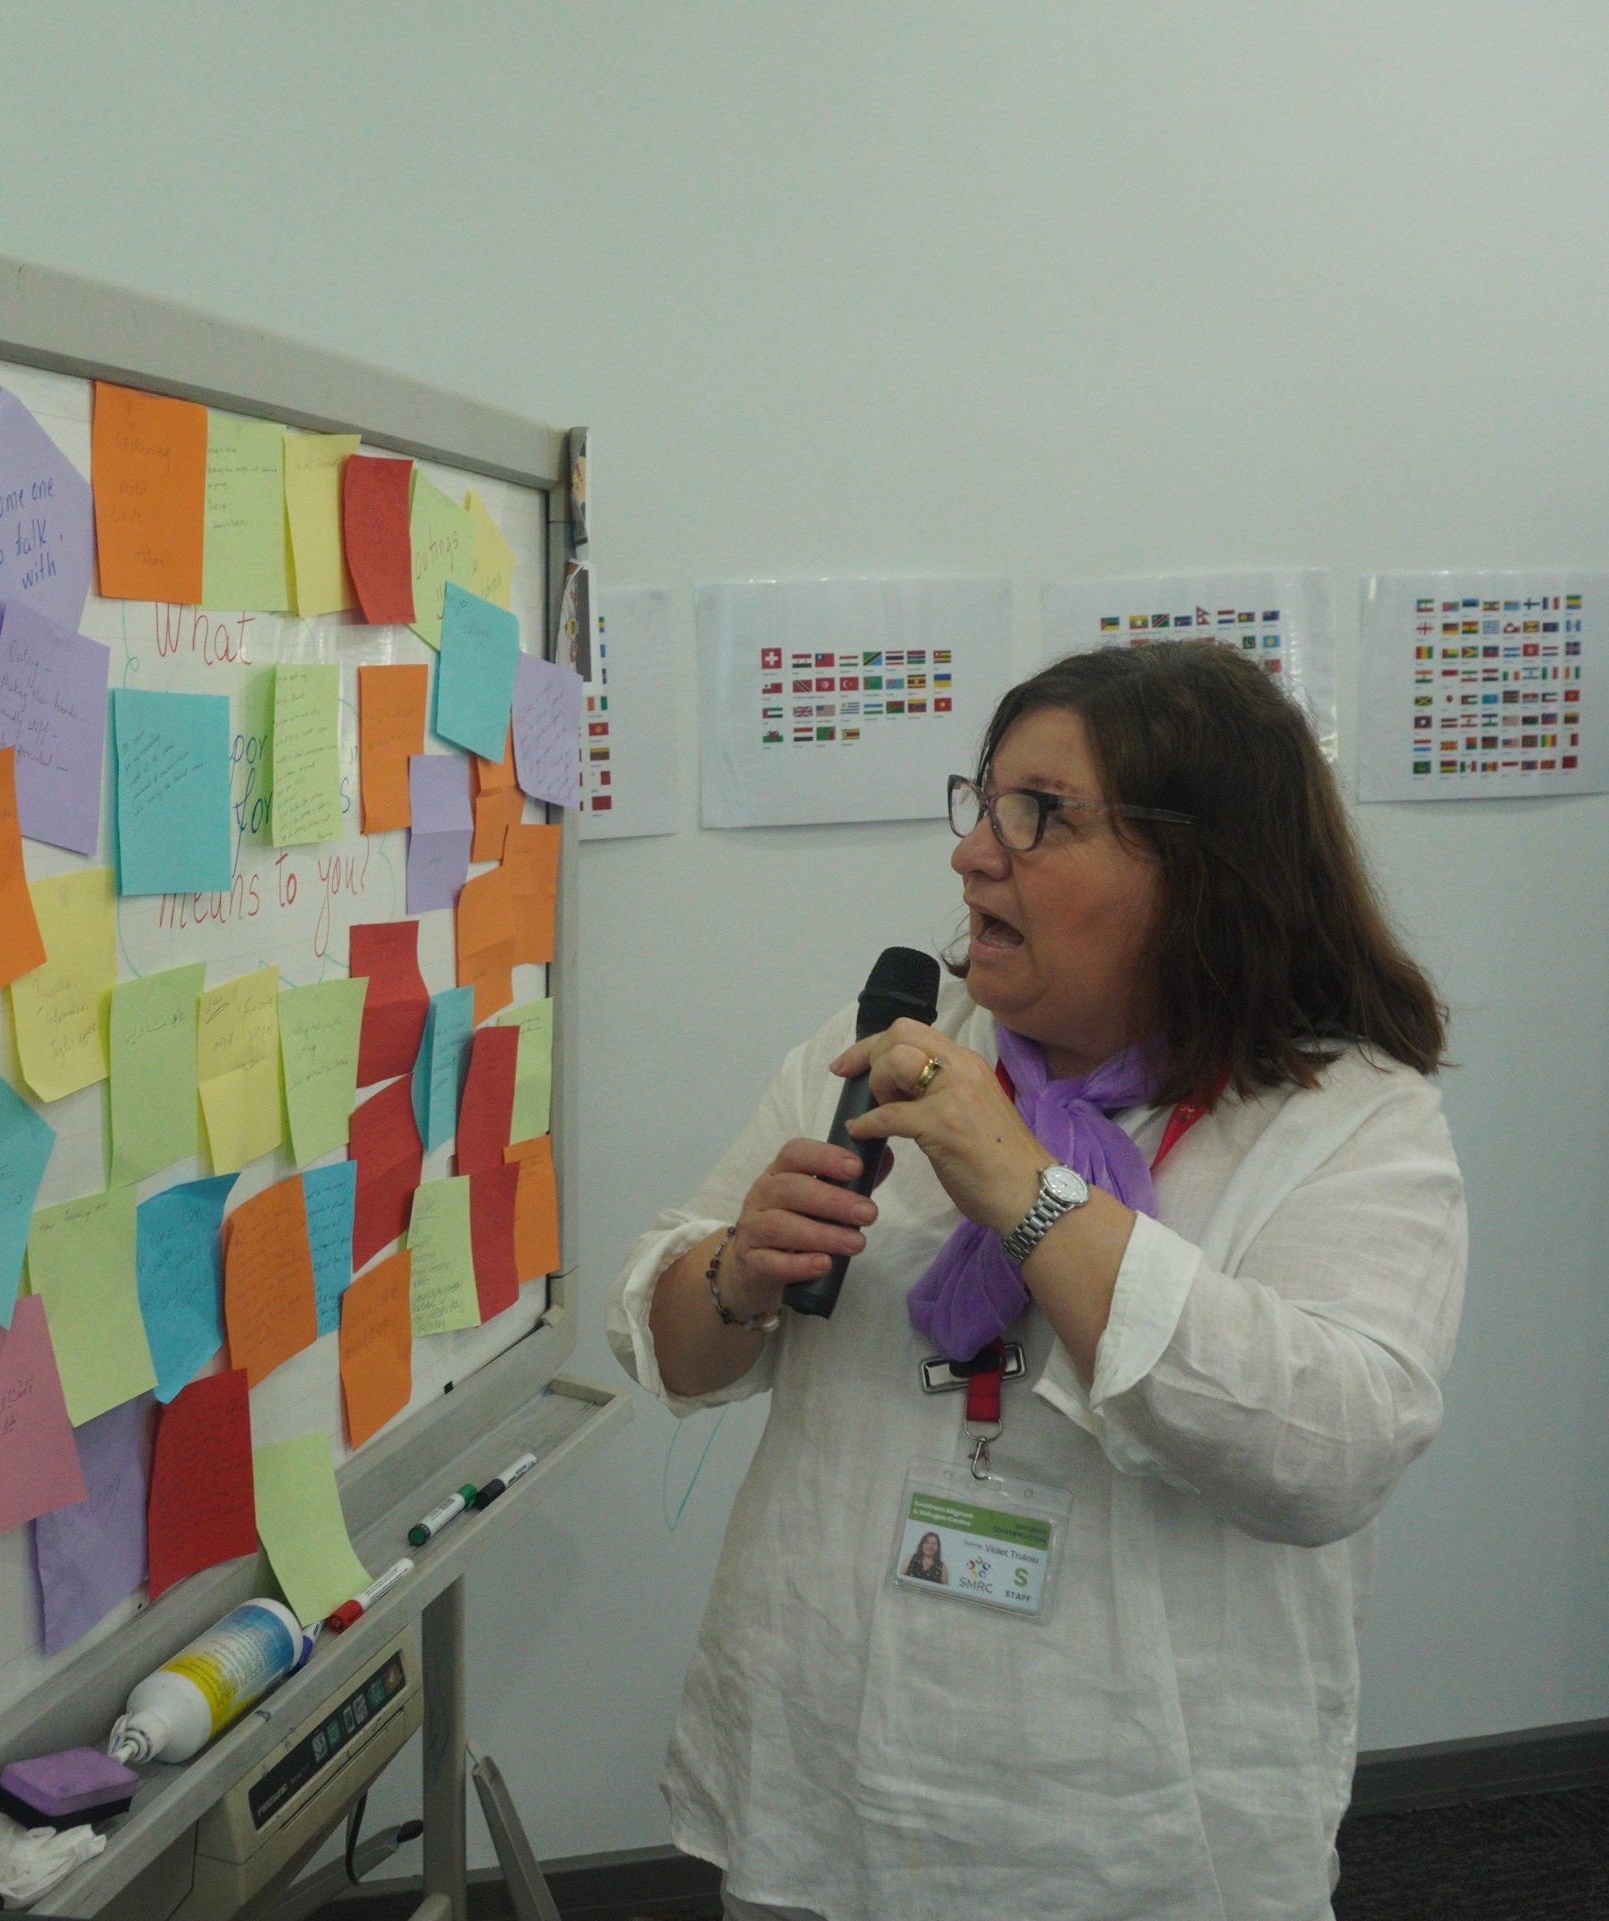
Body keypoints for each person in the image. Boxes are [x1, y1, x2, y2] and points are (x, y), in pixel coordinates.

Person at [608, 642, 1465, 1921]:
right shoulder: (886, 1056)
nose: (972, 854)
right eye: (983, 801)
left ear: (1203, 875)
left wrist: (1021, 1184)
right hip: (830, 1785)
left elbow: (1329, 1450)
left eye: (1040, 817)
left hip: (1128, 1835)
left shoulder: (1346, 1119)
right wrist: (733, 1275)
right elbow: (668, 1343)